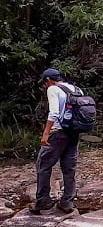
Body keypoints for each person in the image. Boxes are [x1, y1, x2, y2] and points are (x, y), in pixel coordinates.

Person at [31, 68, 81, 214]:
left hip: (58, 133)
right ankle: (67, 202)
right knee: (69, 168)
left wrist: (46, 134)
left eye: (45, 82)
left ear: (48, 80)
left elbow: (54, 113)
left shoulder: (53, 89)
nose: (45, 85)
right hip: (74, 133)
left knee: (43, 165)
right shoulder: (75, 89)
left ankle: (43, 201)